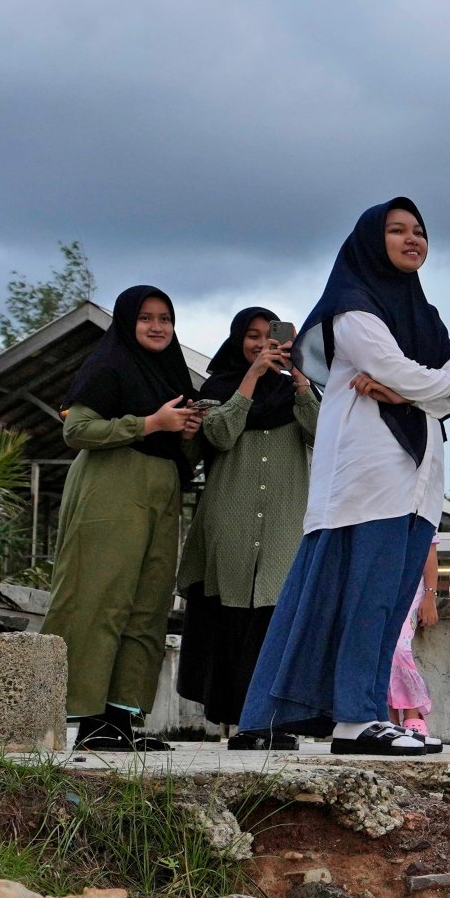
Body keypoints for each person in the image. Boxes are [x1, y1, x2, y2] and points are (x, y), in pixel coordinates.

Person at [242, 198, 450, 755]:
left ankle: (362, 712)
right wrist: (427, 389)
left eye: (419, 231)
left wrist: (409, 393)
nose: (411, 239)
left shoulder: (426, 315)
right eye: (397, 230)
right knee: (359, 597)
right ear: (373, 239)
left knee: (390, 602)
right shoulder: (351, 307)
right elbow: (401, 369)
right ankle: (354, 720)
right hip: (369, 475)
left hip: (419, 476)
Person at [41, 285, 202, 752]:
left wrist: (187, 430)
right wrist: (150, 423)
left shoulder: (173, 375)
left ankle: (122, 719)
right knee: (100, 599)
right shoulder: (107, 366)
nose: (157, 327)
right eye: (146, 318)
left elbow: (183, 451)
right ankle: (90, 723)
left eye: (165, 319)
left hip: (160, 494)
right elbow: (77, 430)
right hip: (110, 492)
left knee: (146, 607)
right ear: (128, 322)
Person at [177, 307, 318, 748]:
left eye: (270, 337)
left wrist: (300, 377)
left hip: (282, 525)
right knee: (231, 623)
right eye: (252, 337)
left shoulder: (298, 394)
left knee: (273, 621)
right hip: (229, 524)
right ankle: (234, 722)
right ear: (238, 340)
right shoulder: (217, 388)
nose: (261, 344)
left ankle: (269, 722)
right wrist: (251, 379)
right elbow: (218, 435)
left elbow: (322, 430)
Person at [390, 545, 439, 738]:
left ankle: (412, 711)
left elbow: (430, 551)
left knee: (399, 648)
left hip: (411, 585)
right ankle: (389, 717)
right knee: (380, 648)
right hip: (381, 580)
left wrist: (429, 596)